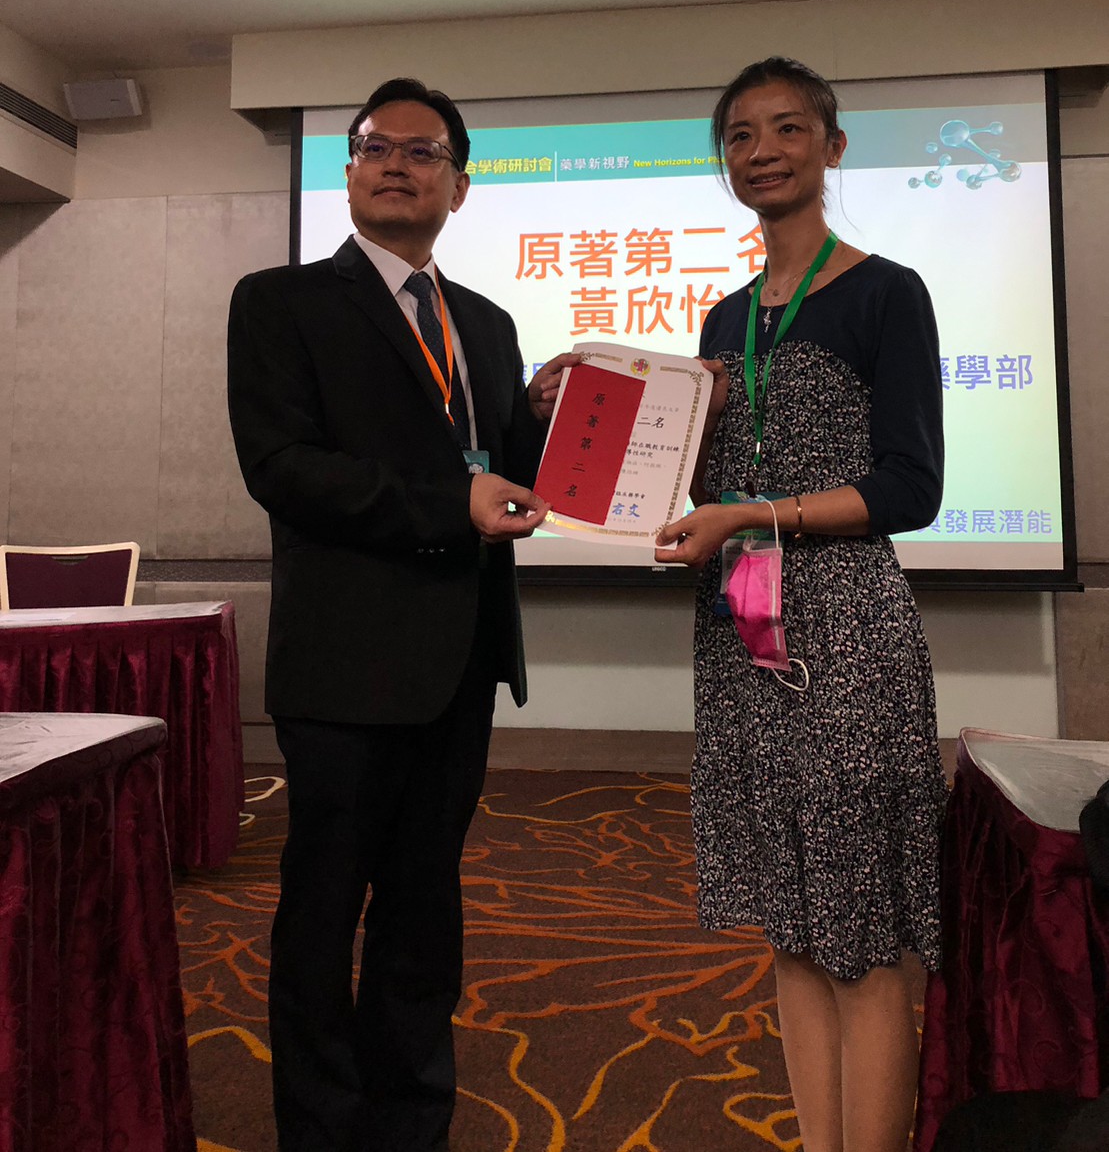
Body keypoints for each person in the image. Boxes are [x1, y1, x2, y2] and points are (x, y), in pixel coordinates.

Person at [227, 77, 575, 1152]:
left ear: (457, 187)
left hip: (459, 661)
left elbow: (505, 477)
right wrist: (445, 504)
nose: (394, 163)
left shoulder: (487, 324)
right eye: (374, 145)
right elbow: (282, 467)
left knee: (425, 908)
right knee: (322, 909)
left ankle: (410, 1118)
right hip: (343, 666)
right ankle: (321, 1126)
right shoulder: (279, 301)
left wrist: (548, 418)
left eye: (422, 152)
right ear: (347, 173)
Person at [655, 57, 947, 1152]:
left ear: (831, 146)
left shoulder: (885, 292)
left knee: (858, 932)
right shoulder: (722, 320)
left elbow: (909, 488)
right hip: (740, 627)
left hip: (845, 632)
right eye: (738, 135)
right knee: (789, 921)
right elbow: (704, 483)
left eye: (785, 128)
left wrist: (751, 514)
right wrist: (592, 404)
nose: (761, 150)